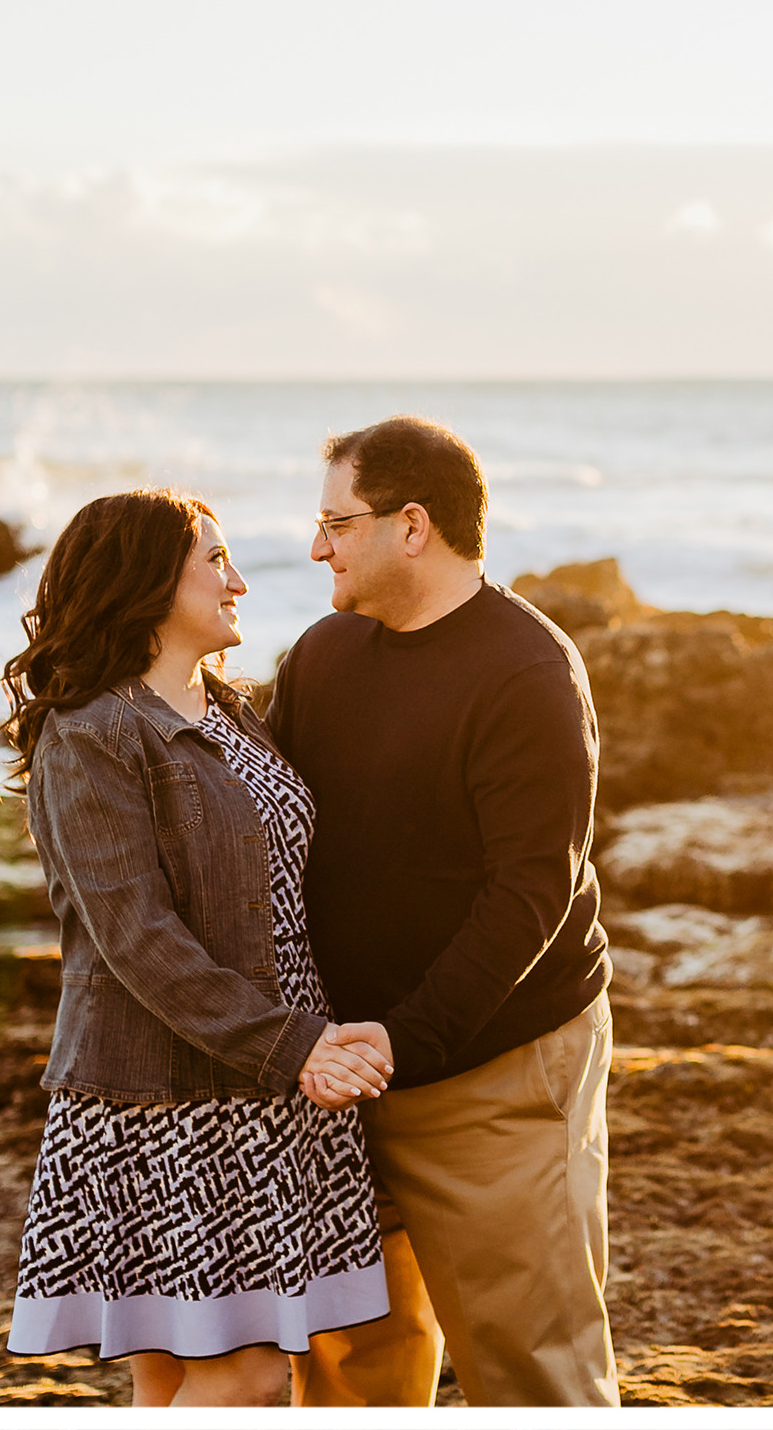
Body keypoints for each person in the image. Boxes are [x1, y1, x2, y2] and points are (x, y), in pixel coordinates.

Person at [0, 488, 400, 1407]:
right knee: (252, 1377)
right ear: (144, 583)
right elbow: (137, 939)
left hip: (267, 1089)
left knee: (174, 1377)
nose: (241, 583)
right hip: (168, 1103)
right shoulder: (91, 731)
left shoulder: (232, 710)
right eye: (214, 562)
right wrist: (295, 1046)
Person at [267, 417, 617, 1408]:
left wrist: (405, 1041)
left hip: (492, 1076)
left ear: (411, 525)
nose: (316, 545)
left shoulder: (526, 673)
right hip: (342, 1075)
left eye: (336, 520)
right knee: (346, 1368)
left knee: (532, 1367)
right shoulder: (323, 655)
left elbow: (529, 896)